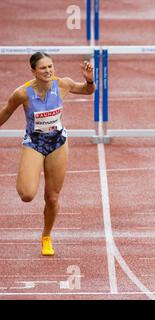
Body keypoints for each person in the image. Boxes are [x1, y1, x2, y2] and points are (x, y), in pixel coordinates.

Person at [0, 52, 96, 256]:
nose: (48, 71)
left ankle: (46, 236)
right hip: (34, 143)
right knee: (26, 195)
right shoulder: (22, 93)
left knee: (52, 198)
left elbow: (88, 91)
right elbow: (6, 112)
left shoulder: (62, 84)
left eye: (50, 66)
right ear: (33, 71)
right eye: (43, 68)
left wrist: (89, 80)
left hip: (58, 143)